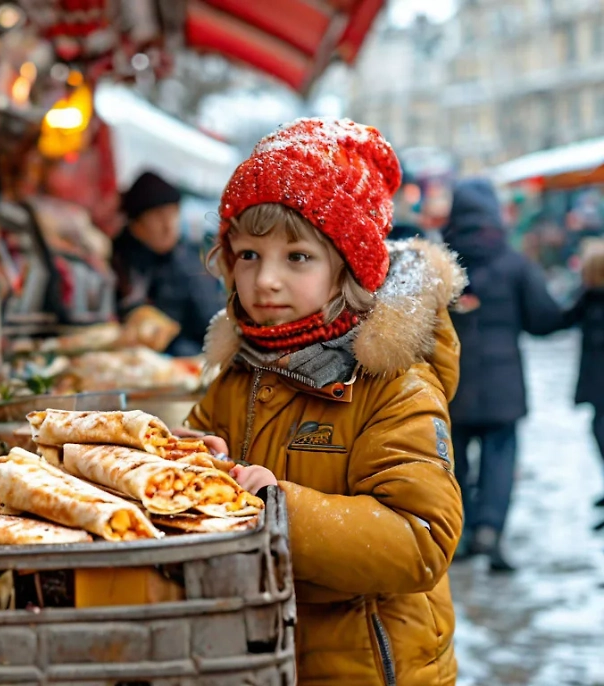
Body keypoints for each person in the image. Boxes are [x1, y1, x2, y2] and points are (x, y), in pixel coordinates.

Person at [187, 119, 465, 685]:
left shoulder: (394, 385)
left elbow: (420, 540)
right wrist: (189, 461)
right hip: (264, 660)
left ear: (347, 267)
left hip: (369, 669)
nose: (265, 280)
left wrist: (276, 508)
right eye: (246, 255)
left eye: (297, 257)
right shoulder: (236, 378)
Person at [442, 177, 566, 572]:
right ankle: (489, 532)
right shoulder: (515, 264)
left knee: (453, 465)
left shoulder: (440, 267)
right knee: (500, 460)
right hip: (503, 387)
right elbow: (544, 320)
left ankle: (458, 536)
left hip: (452, 384)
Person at [112, 171, 223, 356]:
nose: (168, 225)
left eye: (174, 213)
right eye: (158, 216)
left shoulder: (188, 257)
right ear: (136, 224)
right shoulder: (118, 262)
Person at [564, 239, 604, 528]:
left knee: (600, 431)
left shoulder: (588, 299)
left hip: (596, 381)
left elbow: (562, 318)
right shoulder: (588, 298)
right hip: (596, 382)